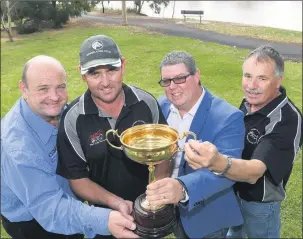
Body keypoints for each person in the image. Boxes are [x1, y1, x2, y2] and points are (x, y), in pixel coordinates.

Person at [1, 55, 139, 239]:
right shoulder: (19, 147)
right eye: (43, 89)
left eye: (61, 86)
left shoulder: (59, 112)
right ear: (24, 89)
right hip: (33, 220)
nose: (55, 97)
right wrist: (104, 220)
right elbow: (50, 208)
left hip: (66, 201)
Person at [56, 35, 169, 239]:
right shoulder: (72, 118)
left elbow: (164, 154)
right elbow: (78, 179)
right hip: (104, 221)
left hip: (149, 217)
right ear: (82, 74)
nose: (105, 82)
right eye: (95, 73)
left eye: (111, 70)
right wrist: (116, 203)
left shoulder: (146, 103)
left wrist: (155, 196)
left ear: (123, 65)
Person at [183, 45, 303, 238]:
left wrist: (216, 162)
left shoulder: (286, 119)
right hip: (232, 191)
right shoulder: (249, 102)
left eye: (262, 78)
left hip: (260, 205)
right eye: (247, 76)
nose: (251, 85)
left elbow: (255, 171)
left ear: (278, 80)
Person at [145, 51, 246, 238]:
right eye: (166, 81)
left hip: (207, 219)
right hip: (170, 211)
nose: (172, 87)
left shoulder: (228, 117)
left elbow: (228, 172)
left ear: (197, 75)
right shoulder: (161, 106)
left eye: (180, 79)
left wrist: (182, 188)